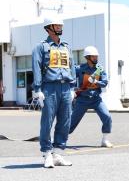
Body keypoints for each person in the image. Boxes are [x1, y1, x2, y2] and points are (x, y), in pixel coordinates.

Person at [32, 15, 76, 168]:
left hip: (65, 88)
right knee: (47, 121)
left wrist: (72, 87)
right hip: (49, 88)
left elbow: (72, 67)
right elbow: (36, 68)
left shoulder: (66, 47)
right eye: (56, 26)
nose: (59, 28)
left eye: (60, 26)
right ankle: (47, 153)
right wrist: (37, 89)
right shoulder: (40, 47)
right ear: (48, 28)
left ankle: (57, 153)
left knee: (65, 121)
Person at [69, 46, 113, 148]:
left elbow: (105, 82)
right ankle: (59, 140)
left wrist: (97, 82)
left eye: (96, 57)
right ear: (87, 57)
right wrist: (71, 90)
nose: (96, 59)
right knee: (71, 122)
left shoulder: (100, 69)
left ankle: (105, 140)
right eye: (93, 57)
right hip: (82, 100)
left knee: (107, 117)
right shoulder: (80, 69)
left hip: (96, 99)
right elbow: (70, 76)